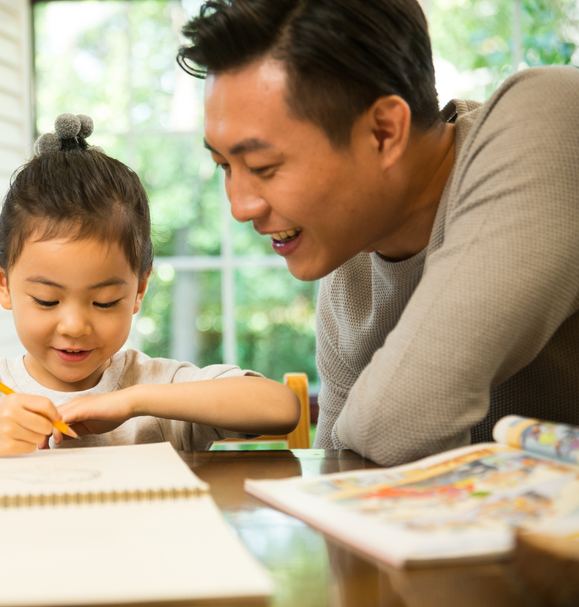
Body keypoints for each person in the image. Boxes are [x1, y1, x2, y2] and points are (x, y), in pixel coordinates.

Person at [177, 0, 579, 466]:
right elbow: (343, 472)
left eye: (264, 166)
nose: (240, 207)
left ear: (385, 132)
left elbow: (394, 426)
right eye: (224, 165)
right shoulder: (350, 272)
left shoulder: (551, 116)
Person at [0, 113, 300, 460]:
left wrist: (131, 402)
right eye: (46, 299)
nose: (75, 325)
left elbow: (279, 408)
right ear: (4, 283)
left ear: (139, 290)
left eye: (105, 301)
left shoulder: (156, 390)